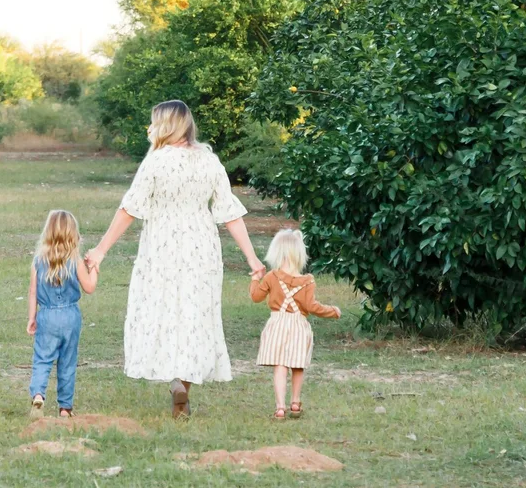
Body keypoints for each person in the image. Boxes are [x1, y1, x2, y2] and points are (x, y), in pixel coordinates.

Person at [84, 100, 265, 418]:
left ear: (166, 125)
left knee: (164, 311)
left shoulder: (156, 162)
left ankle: (174, 378)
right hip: (201, 246)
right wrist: (252, 259)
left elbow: (130, 208)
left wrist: (100, 251)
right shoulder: (209, 161)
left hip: (162, 246)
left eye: (154, 122)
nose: (150, 129)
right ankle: (183, 384)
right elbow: (230, 213)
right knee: (194, 314)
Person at [250, 228, 341, 419]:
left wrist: (254, 279)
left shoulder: (271, 277)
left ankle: (280, 407)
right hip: (299, 326)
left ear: (277, 252)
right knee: (298, 365)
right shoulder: (307, 281)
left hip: (277, 324)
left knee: (280, 366)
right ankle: (295, 403)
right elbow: (312, 306)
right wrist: (332, 311)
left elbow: (256, 297)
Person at [26, 209, 98, 418]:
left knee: (42, 358)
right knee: (67, 361)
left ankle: (38, 394)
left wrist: (32, 317)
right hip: (70, 316)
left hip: (46, 315)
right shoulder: (75, 261)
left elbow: (33, 292)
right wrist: (94, 268)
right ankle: (65, 408)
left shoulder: (38, 261)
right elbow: (90, 287)